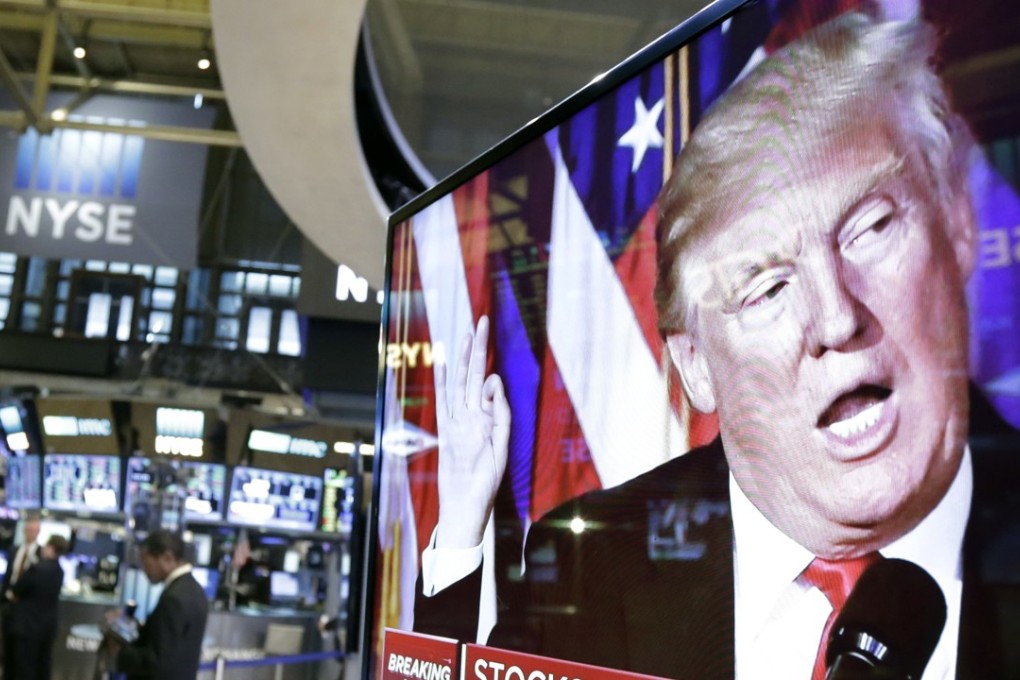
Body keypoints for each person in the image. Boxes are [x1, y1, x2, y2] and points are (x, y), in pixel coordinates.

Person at [414, 11, 1020, 680]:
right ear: (695, 366)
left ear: (959, 224)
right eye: (764, 289)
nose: (836, 319)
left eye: (869, 229)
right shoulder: (590, 563)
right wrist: (464, 529)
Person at [116, 529, 209, 680]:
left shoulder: (175, 598)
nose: (144, 569)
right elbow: (169, 640)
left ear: (167, 558)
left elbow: (156, 660)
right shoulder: (194, 589)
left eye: (146, 561)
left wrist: (119, 653)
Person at [4, 534, 69, 680]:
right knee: (42, 667)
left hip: (26, 627)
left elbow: (16, 591)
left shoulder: (36, 569)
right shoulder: (60, 571)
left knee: (23, 668)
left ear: (51, 548)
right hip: (47, 628)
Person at [1, 511, 41, 677]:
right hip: (8, 606)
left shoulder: (41, 555)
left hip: (27, 611)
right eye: (27, 530)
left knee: (22, 654)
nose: (29, 533)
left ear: (38, 532)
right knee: (6, 648)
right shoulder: (14, 550)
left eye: (33, 530)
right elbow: (9, 577)